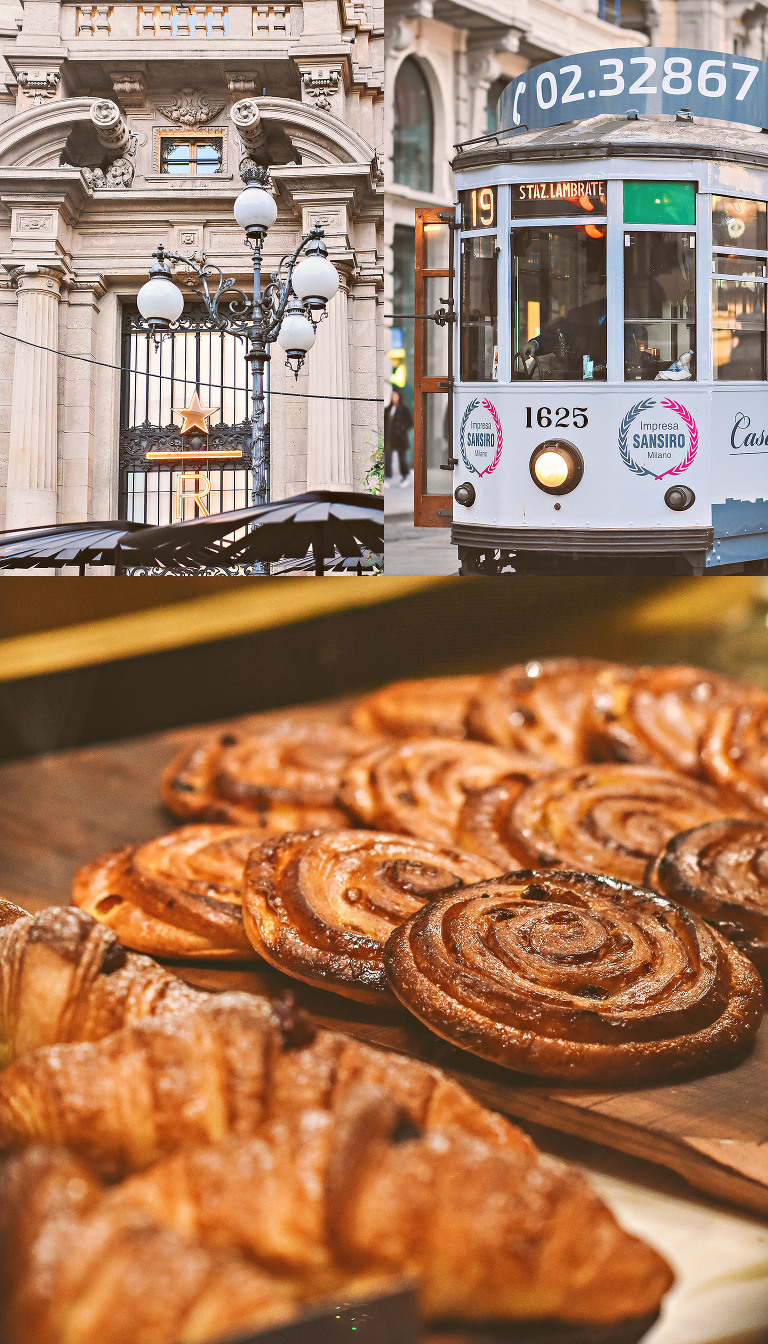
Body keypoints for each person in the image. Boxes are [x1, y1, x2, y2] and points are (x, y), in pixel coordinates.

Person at [384, 388, 413, 483]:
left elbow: (410, 422)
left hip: (400, 438)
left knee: (402, 458)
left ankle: (405, 475)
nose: (393, 397)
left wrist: (402, 428)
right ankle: (387, 475)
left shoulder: (404, 409)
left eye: (395, 395)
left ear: (399, 397)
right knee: (387, 457)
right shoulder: (388, 409)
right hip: (389, 437)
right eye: (392, 396)